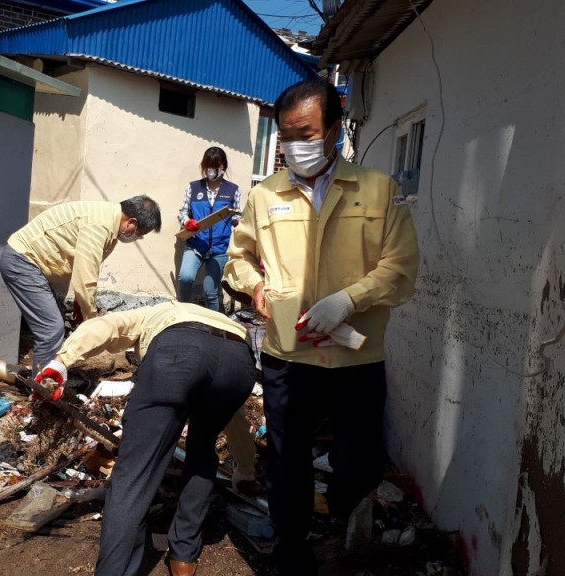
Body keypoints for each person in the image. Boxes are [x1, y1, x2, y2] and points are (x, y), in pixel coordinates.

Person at [224, 78, 419, 571]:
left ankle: (338, 515)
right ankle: (293, 550)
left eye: (306, 133)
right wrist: (255, 287)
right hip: (288, 358)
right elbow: (237, 259)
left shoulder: (378, 190)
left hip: (357, 356)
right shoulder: (265, 195)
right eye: (287, 136)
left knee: (360, 466)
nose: (295, 146)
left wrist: (350, 299)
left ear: (334, 129)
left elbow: (401, 269)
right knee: (287, 462)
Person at [33, 301, 256, 576]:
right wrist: (245, 469)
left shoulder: (158, 311)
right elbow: (237, 420)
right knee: (202, 450)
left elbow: (106, 326)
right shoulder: (225, 322)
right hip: (238, 360)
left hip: (178, 352)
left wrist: (62, 360)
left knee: (134, 474)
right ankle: (184, 556)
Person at [0, 197, 161, 373]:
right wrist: (91, 320)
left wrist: (80, 301)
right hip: (23, 262)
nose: (138, 238)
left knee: (55, 323)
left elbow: (85, 266)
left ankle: (47, 375)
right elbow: (86, 275)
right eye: (140, 233)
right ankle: (42, 387)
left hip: (31, 264)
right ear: (131, 222)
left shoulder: (107, 222)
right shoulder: (100, 225)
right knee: (51, 329)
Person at [176, 147, 242, 312]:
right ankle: (181, 313)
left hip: (219, 248)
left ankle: (214, 326)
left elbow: (237, 216)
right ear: (204, 166)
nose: (212, 170)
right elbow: (182, 213)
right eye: (209, 166)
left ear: (223, 167)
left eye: (216, 166)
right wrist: (187, 221)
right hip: (196, 244)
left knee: (210, 291)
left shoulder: (233, 190)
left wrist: (238, 223)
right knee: (185, 278)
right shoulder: (193, 188)